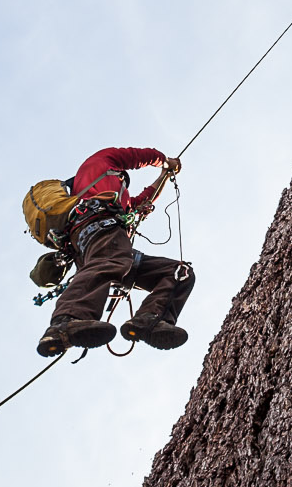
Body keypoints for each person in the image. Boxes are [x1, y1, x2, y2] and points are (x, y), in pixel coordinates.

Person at [34, 146, 195, 357]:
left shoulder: (122, 202)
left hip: (111, 247)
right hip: (98, 230)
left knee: (179, 273)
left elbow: (145, 200)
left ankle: (151, 319)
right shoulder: (98, 165)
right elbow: (138, 156)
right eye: (122, 180)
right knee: (109, 261)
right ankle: (67, 320)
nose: (122, 184)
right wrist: (165, 161)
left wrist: (164, 176)